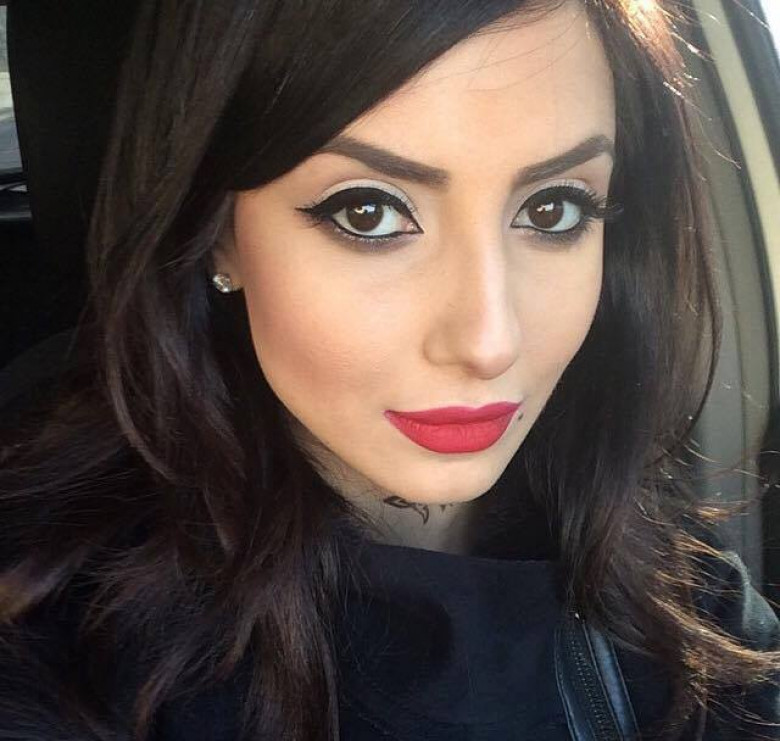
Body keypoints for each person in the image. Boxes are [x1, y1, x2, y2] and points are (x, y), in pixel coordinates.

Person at [1, 0, 779, 739]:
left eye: (554, 210)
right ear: (219, 235)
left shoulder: (681, 591)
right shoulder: (57, 641)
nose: (489, 341)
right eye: (368, 212)